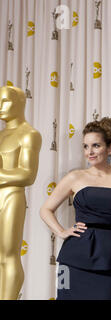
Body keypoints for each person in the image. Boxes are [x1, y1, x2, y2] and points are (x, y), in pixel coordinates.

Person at [40, 117, 111, 300]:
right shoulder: (75, 177)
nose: (89, 152)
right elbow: (45, 209)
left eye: (96, 146)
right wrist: (61, 231)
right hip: (74, 259)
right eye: (85, 146)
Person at [0, 86, 42, 300]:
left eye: (5, 101)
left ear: (20, 103)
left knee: (8, 255)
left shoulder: (29, 134)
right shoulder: (1, 135)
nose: (0, 107)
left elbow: (27, 175)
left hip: (11, 197)